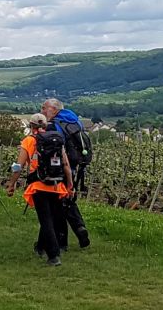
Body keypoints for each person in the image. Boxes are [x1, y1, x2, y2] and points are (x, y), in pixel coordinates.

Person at [9, 114, 71, 266]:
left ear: (31, 126)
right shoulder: (57, 140)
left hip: (38, 185)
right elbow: (66, 166)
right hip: (57, 185)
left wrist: (12, 184)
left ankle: (54, 255)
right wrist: (70, 185)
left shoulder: (29, 141)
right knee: (51, 218)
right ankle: (40, 248)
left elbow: (18, 166)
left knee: (46, 220)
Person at [40, 98, 91, 248]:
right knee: (69, 198)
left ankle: (60, 241)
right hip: (78, 166)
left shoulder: (54, 125)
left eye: (45, 108)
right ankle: (79, 228)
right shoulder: (75, 121)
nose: (42, 111)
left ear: (54, 109)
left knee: (59, 203)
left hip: (61, 167)